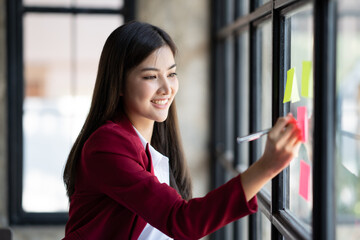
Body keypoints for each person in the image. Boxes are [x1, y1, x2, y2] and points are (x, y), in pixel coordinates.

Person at [62, 21, 302, 240]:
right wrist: (267, 166)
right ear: (119, 84)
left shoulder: (150, 143)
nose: (167, 88)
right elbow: (182, 221)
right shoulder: (107, 144)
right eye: (151, 76)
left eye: (172, 74)